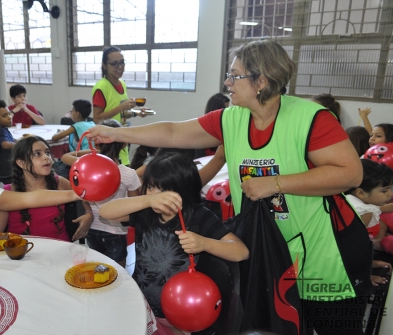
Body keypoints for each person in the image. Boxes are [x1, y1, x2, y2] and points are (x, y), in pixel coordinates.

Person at [87, 39, 371, 335]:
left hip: (325, 252)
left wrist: (274, 183)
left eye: (235, 76)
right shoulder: (231, 120)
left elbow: (351, 174)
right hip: (267, 249)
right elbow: (173, 131)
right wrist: (113, 132)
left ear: (261, 81)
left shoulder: (311, 118)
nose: (227, 82)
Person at [98, 152, 248, 335]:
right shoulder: (146, 211)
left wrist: (204, 243)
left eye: (163, 190)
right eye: (151, 187)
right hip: (143, 304)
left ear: (185, 190)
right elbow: (105, 212)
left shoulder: (198, 216)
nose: (155, 195)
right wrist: (146, 200)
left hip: (178, 314)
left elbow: (241, 251)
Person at [63, 119, 141, 267]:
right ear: (124, 144)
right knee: (117, 271)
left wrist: (94, 152)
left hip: (93, 227)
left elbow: (65, 157)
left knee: (96, 267)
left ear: (97, 143)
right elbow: (134, 206)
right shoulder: (129, 174)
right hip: (116, 231)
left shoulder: (88, 169)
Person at [0, 136, 93, 242]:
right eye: (37, 154)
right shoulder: (6, 194)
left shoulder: (59, 182)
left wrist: (88, 213)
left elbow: (83, 195)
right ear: (21, 163)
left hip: (60, 248)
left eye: (47, 153)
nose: (46, 157)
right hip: (23, 253)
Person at [92, 46, 147, 166]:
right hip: (109, 145)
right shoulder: (101, 87)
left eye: (122, 63)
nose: (120, 67)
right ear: (105, 65)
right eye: (114, 64)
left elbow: (121, 115)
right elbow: (97, 118)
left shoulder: (122, 84)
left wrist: (136, 113)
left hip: (121, 139)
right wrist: (122, 107)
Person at [345, 159, 393, 285]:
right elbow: (350, 249)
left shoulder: (350, 200)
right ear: (361, 192)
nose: (390, 194)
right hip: (346, 268)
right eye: (384, 190)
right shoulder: (364, 212)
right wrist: (366, 276)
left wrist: (370, 263)